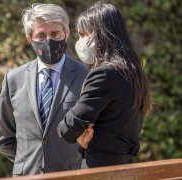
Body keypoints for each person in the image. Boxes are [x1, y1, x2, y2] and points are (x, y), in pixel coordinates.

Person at [0, 3, 88, 176]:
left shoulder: (87, 75)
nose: (49, 40)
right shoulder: (13, 79)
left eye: (55, 34)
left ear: (66, 35)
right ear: (29, 39)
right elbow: (4, 139)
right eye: (41, 35)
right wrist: (27, 164)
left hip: (73, 176)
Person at [57, 2, 153, 168]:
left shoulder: (104, 74)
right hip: (125, 165)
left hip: (99, 168)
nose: (79, 41)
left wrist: (81, 138)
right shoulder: (135, 73)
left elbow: (67, 129)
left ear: (99, 35)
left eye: (82, 34)